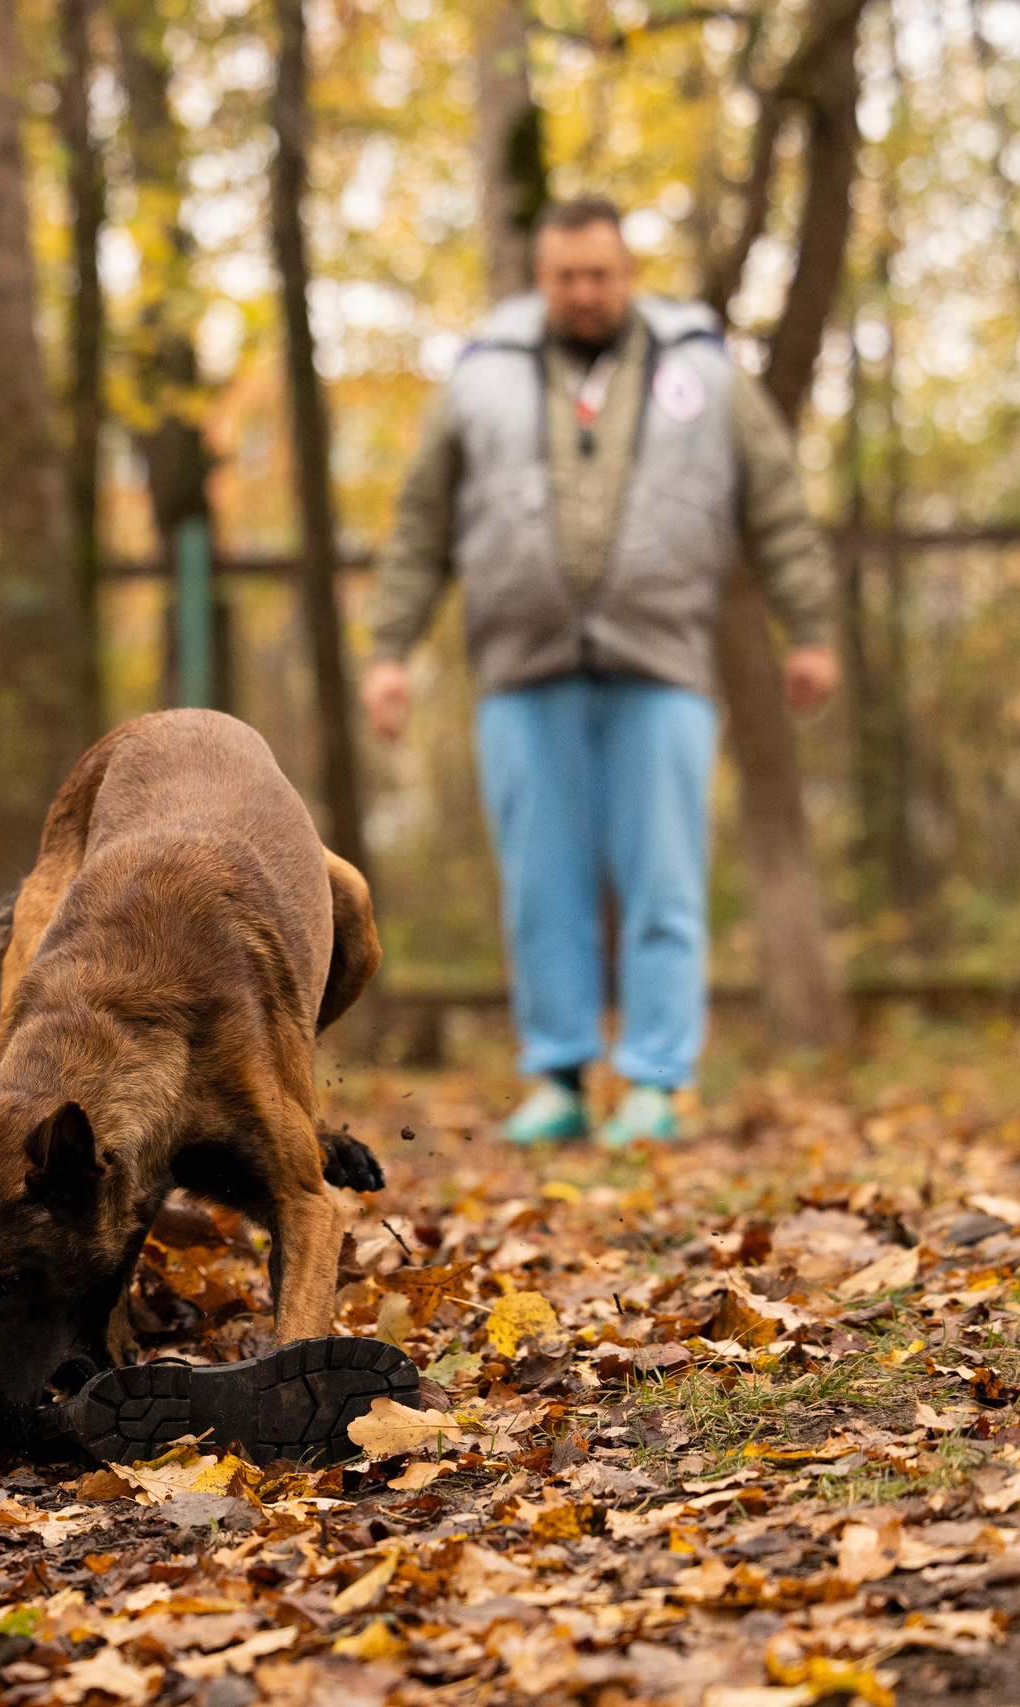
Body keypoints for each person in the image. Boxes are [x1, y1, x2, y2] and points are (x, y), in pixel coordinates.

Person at [362, 196, 838, 1147]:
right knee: (541, 885)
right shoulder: (480, 377)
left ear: (629, 275)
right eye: (565, 276)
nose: (584, 292)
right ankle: (559, 1076)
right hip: (521, 669)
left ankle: (657, 1078)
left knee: (664, 876)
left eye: (600, 274)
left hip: (663, 663)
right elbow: (421, 524)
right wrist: (390, 650)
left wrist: (811, 627)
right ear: (540, 279)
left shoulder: (703, 369)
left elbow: (778, 503)